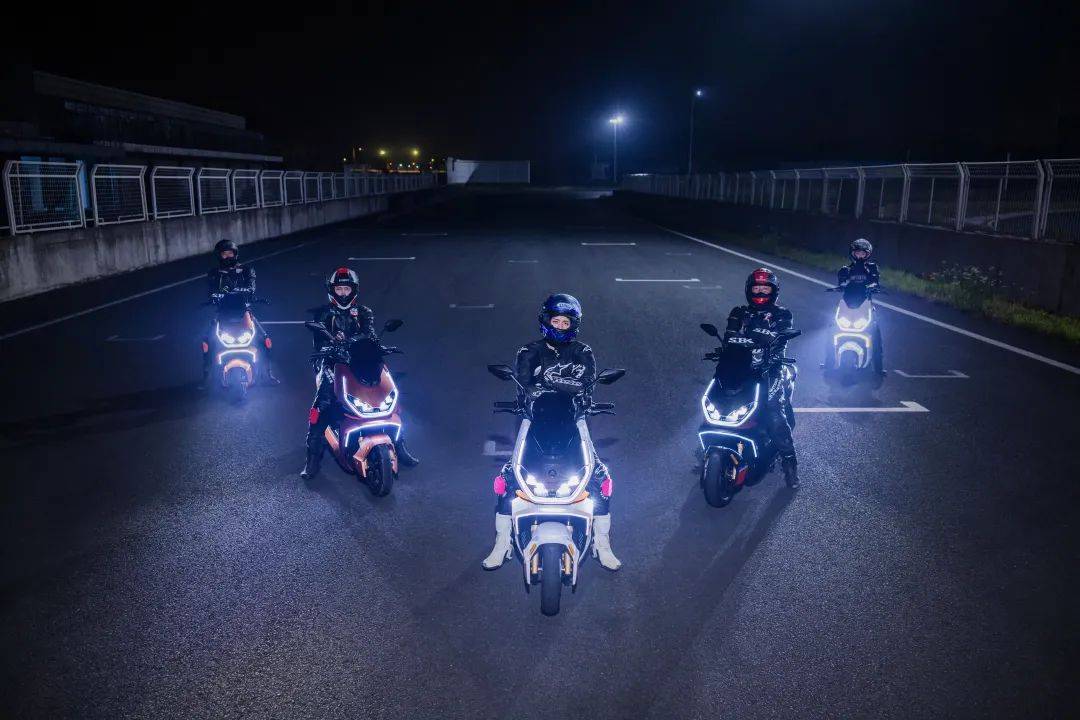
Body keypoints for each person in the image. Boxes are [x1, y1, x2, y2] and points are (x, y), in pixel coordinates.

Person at [482, 293, 622, 571]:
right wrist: (559, 384)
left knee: (600, 478)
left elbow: (586, 385)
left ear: (574, 325)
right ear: (546, 321)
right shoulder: (529, 351)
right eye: (555, 321)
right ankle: (502, 542)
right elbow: (525, 385)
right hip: (534, 419)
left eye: (565, 322)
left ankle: (602, 543)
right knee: (508, 478)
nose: (560, 326)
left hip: (574, 419)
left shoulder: (583, 351)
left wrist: (550, 381)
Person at [300, 267, 419, 479]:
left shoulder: (364, 312)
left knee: (392, 396)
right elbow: (319, 343)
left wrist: (378, 346)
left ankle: (400, 447)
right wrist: (330, 348)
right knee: (320, 407)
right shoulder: (324, 314)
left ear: (353, 290)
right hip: (333, 363)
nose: (343, 293)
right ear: (332, 290)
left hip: (361, 360)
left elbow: (370, 335)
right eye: (339, 289)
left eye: (346, 289)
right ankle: (312, 460)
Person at [723, 268, 800, 489]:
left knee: (774, 410)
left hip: (772, 368)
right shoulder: (739, 312)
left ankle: (789, 463)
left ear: (773, 291)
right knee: (720, 398)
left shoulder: (782, 314)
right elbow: (729, 335)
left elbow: (783, 336)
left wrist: (764, 344)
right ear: (749, 289)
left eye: (765, 289)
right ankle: (709, 446)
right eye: (756, 288)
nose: (760, 292)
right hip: (740, 366)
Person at [201, 239, 279, 387]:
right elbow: (211, 291)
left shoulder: (246, 270)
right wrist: (214, 296)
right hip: (222, 313)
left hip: (244, 311)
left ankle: (268, 374)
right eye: (224, 254)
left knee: (266, 340)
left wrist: (243, 292)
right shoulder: (214, 273)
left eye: (230, 253)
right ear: (219, 256)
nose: (228, 256)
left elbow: (251, 287)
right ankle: (206, 377)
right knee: (206, 342)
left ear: (235, 254)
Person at [837, 238, 884, 375]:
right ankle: (829, 362)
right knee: (832, 327)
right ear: (852, 253)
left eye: (863, 253)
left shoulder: (872, 268)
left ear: (868, 254)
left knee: (875, 332)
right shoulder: (845, 269)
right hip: (847, 303)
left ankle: (878, 368)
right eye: (857, 253)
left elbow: (876, 281)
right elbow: (841, 282)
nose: (860, 256)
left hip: (865, 304)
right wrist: (842, 285)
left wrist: (871, 286)